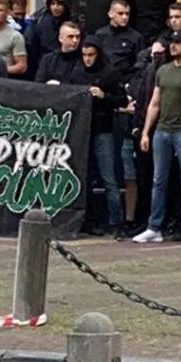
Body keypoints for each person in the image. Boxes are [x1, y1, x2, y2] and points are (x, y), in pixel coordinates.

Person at [134, 30, 181, 247]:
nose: (173, 46)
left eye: (178, 43)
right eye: (171, 43)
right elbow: (154, 103)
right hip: (162, 131)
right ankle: (154, 227)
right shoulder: (163, 70)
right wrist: (146, 131)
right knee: (158, 180)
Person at [70, 36, 130, 239]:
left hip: (103, 129)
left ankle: (117, 222)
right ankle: (88, 221)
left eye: (91, 55)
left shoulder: (110, 73)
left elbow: (121, 99)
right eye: (84, 55)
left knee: (108, 177)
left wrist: (104, 95)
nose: (87, 59)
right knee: (83, 177)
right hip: (82, 131)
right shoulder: (77, 72)